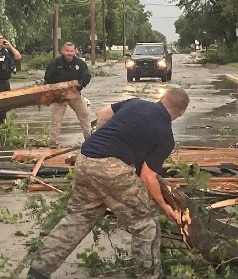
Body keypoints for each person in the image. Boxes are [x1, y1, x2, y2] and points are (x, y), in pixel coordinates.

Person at [25, 88, 190, 279]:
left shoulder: (136, 103)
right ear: (182, 112)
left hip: (85, 159)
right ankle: (150, 276)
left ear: (162, 99)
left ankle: (38, 271)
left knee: (77, 218)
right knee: (145, 223)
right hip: (112, 169)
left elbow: (102, 114)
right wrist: (163, 206)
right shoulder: (165, 135)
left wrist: (104, 140)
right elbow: (147, 176)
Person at [44, 41, 91, 148]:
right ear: (62, 51)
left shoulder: (80, 63)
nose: (69, 53)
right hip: (58, 95)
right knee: (56, 119)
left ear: (75, 51)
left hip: (74, 93)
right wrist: (52, 90)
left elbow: (86, 76)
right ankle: (53, 143)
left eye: (71, 51)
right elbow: (47, 78)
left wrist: (80, 85)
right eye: (67, 51)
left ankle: (89, 139)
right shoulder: (55, 63)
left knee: (84, 115)